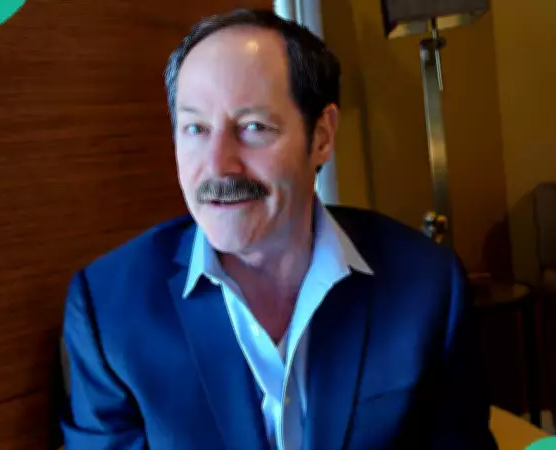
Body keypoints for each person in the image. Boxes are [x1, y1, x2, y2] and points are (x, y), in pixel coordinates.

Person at [59, 8, 498, 450]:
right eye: (196, 128)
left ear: (322, 136)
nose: (218, 165)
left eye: (253, 127)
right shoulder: (108, 310)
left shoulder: (429, 286)